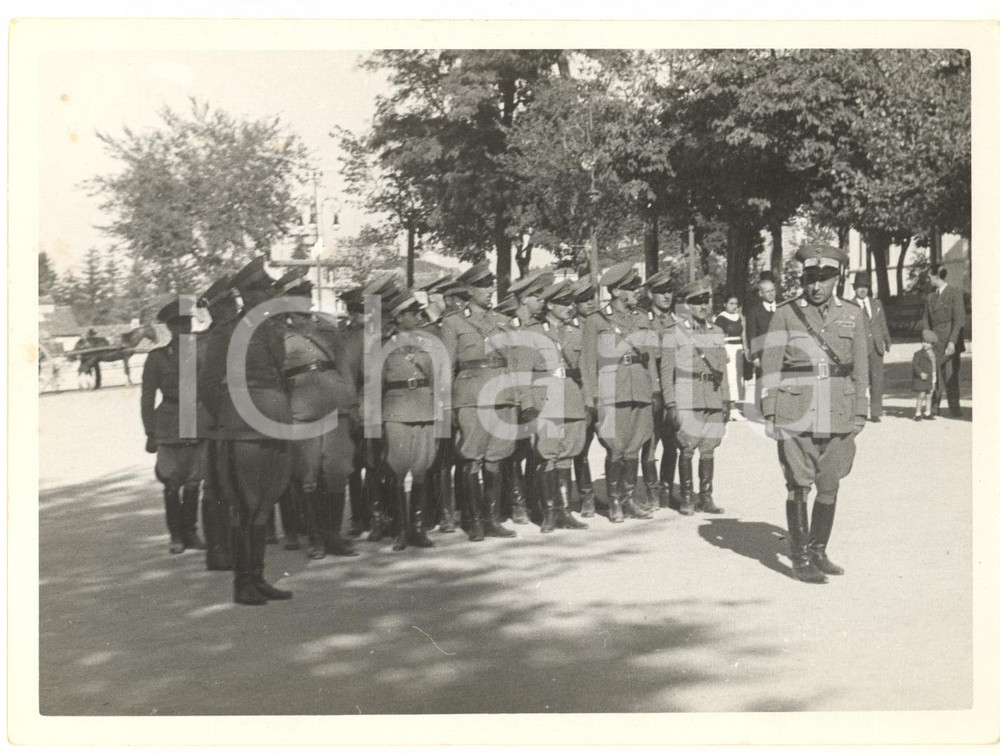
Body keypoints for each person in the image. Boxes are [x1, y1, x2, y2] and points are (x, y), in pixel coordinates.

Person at [760, 244, 868, 584]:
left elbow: (861, 367)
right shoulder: (786, 313)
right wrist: (770, 411)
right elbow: (771, 365)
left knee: (830, 482)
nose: (816, 286)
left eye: (823, 279)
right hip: (796, 408)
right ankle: (800, 556)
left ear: (837, 278)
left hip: (838, 408)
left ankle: (819, 550)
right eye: (810, 279)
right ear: (802, 279)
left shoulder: (853, 313)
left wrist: (860, 410)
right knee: (798, 483)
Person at [199, 256, 294, 606]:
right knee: (245, 504)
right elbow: (208, 385)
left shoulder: (272, 328)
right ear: (248, 295)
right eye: (264, 288)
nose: (270, 293)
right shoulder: (226, 332)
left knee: (266, 501)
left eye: (270, 288)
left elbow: (281, 377)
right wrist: (231, 415)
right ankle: (243, 581)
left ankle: (258, 575)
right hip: (242, 429)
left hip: (275, 424)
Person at [278, 270, 361, 560]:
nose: (302, 305)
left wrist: (351, 405)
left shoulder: (328, 330)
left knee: (337, 471)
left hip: (335, 407)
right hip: (302, 412)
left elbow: (344, 368)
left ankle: (333, 535)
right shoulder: (278, 335)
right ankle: (315, 537)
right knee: (308, 474)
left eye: (306, 298)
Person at [439, 262, 522, 541]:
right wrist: (448, 405)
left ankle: (491, 519)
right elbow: (447, 367)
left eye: (490, 285)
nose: (488, 291)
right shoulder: (453, 322)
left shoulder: (501, 321)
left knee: (496, 456)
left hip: (501, 395)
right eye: (482, 286)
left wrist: (516, 396)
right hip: (471, 397)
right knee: (472, 457)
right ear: (468, 290)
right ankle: (474, 520)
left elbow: (512, 360)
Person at [581, 261, 659, 522]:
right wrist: (591, 398)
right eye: (630, 287)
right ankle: (614, 501)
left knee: (634, 447)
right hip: (612, 391)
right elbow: (588, 362)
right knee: (615, 447)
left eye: (636, 286)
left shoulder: (642, 318)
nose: (636, 291)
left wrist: (655, 390)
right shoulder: (596, 321)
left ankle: (629, 498)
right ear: (615, 292)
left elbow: (649, 358)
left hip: (640, 387)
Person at [140, 300, 209, 555]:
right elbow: (147, 397)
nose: (185, 328)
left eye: (188, 323)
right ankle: (176, 534)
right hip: (168, 421)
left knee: (194, 481)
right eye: (179, 324)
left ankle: (191, 532)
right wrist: (150, 432)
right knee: (171, 481)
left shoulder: (200, 354)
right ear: (170, 328)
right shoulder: (157, 358)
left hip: (197, 418)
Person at [527, 279, 590, 532]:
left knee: (567, 454)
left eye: (571, 302)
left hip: (572, 398)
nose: (569, 307)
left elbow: (586, 371)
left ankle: (564, 512)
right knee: (549, 454)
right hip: (548, 400)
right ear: (550, 305)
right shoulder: (534, 333)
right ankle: (549, 512)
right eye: (563, 302)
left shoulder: (577, 332)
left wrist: (589, 402)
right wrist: (529, 405)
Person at [380, 292, 441, 550]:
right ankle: (399, 530)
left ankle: (417, 528)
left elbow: (439, 379)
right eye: (413, 313)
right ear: (399, 317)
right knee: (396, 469)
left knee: (421, 468)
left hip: (425, 409)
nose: (418, 317)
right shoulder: (382, 346)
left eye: (419, 313)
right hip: (396, 412)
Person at [667, 278, 730, 516]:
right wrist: (671, 402)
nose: (703, 307)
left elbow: (721, 369)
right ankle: (686, 497)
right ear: (688, 305)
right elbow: (667, 371)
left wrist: (726, 400)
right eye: (697, 302)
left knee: (709, 447)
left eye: (706, 301)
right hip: (688, 395)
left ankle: (706, 497)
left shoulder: (717, 331)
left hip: (712, 395)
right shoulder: (677, 332)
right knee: (687, 447)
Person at [505, 269, 555, 525]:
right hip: (516, 398)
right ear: (524, 299)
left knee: (537, 452)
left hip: (539, 395)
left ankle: (534, 502)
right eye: (537, 296)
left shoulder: (540, 326)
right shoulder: (510, 326)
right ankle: (517, 503)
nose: (542, 301)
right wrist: (525, 404)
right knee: (516, 452)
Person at [196, 276, 238, 570]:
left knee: (228, 484)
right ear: (219, 309)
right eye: (231, 303)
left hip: (228, 420)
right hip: (218, 422)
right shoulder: (210, 341)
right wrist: (223, 416)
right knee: (216, 486)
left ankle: (226, 546)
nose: (236, 307)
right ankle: (218, 549)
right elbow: (204, 386)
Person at [641, 268, 680, 510]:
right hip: (651, 386)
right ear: (650, 293)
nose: (667, 296)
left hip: (674, 386)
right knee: (650, 441)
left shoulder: (676, 321)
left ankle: (666, 490)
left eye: (670, 291)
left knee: (672, 441)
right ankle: (652, 492)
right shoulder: (645, 321)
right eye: (661, 291)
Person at [571, 274, 600, 517]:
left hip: (607, 393)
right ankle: (586, 496)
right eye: (584, 299)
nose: (590, 303)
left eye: (592, 297)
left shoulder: (602, 324)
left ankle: (618, 495)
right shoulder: (571, 328)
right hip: (582, 395)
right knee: (581, 448)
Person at [920, 266, 966, 418]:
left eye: (929, 277)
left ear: (935, 277)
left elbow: (959, 319)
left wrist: (952, 342)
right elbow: (926, 319)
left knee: (950, 376)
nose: (928, 280)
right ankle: (933, 408)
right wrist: (927, 338)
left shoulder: (955, 292)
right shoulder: (930, 297)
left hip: (950, 340)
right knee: (935, 375)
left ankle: (954, 408)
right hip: (935, 341)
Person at [850, 271, 891, 422]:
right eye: (860, 287)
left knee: (877, 380)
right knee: (860, 380)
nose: (863, 290)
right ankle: (859, 412)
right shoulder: (850, 305)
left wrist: (887, 340)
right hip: (859, 348)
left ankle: (875, 412)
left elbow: (882, 323)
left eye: (865, 287)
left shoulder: (876, 303)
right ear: (855, 288)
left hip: (876, 347)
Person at [744, 275, 778, 412]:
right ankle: (762, 408)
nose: (771, 294)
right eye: (768, 291)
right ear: (760, 293)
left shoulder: (782, 308)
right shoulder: (755, 311)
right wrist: (755, 356)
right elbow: (751, 335)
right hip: (764, 353)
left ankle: (777, 407)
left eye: (773, 290)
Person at [714, 292, 747, 421]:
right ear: (725, 304)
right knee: (731, 379)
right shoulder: (721, 318)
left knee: (739, 379)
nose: (734, 306)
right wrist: (723, 351)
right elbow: (717, 336)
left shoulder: (738, 317)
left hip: (738, 349)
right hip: (728, 349)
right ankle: (731, 408)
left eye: (736, 304)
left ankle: (735, 407)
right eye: (731, 303)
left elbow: (742, 335)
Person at [912, 330, 939, 421]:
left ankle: (927, 412)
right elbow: (915, 365)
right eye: (923, 341)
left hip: (932, 377)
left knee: (929, 395)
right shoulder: (918, 354)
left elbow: (936, 365)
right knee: (921, 395)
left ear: (932, 344)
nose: (925, 344)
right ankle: (918, 413)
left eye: (928, 343)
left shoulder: (935, 354)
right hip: (923, 378)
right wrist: (920, 373)